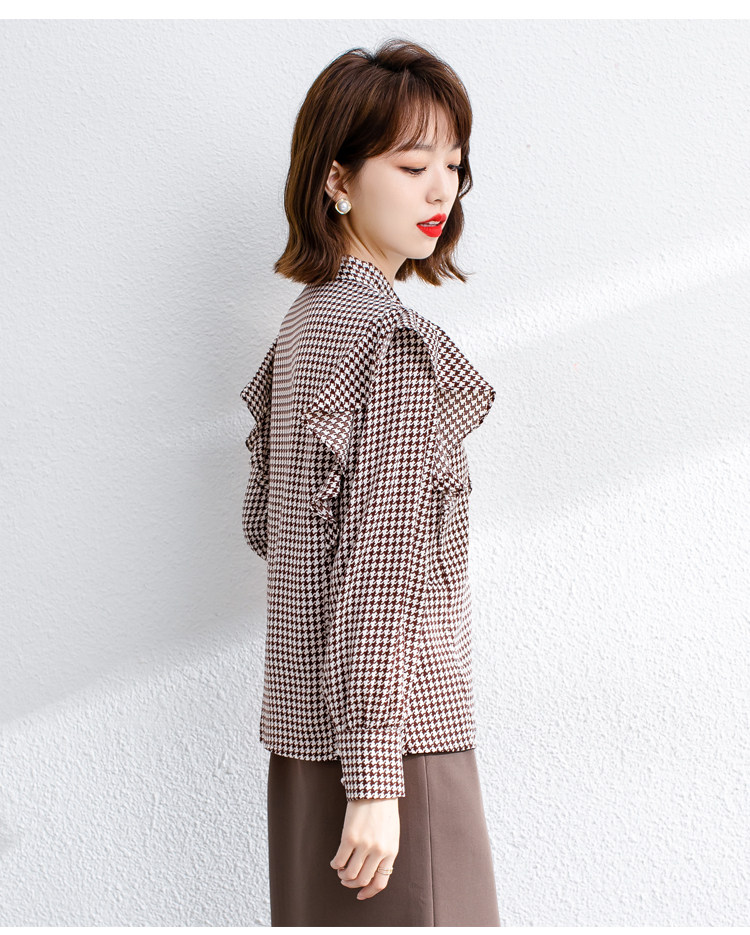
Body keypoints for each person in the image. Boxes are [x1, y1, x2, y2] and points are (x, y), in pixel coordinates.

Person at [240, 37, 501, 926]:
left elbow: (272, 532)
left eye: (453, 167)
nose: (440, 192)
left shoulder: (303, 327)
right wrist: (377, 778)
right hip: (394, 757)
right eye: (412, 165)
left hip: (308, 755)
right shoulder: (390, 341)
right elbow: (381, 570)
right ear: (337, 179)